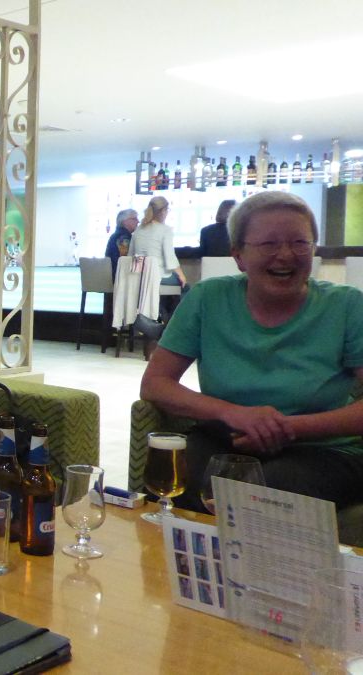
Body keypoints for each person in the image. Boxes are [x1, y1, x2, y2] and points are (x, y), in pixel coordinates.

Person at [141, 191, 363, 513]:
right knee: (177, 481)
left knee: (267, 495)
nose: (285, 255)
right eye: (269, 244)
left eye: (300, 243)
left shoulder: (347, 306)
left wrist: (288, 428)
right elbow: (155, 384)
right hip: (227, 437)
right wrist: (232, 413)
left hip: (323, 449)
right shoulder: (208, 299)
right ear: (239, 256)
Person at [104, 207, 139, 279]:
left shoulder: (117, 235)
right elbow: (126, 262)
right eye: (134, 219)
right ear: (125, 222)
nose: (138, 221)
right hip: (120, 279)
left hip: (112, 276)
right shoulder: (123, 238)